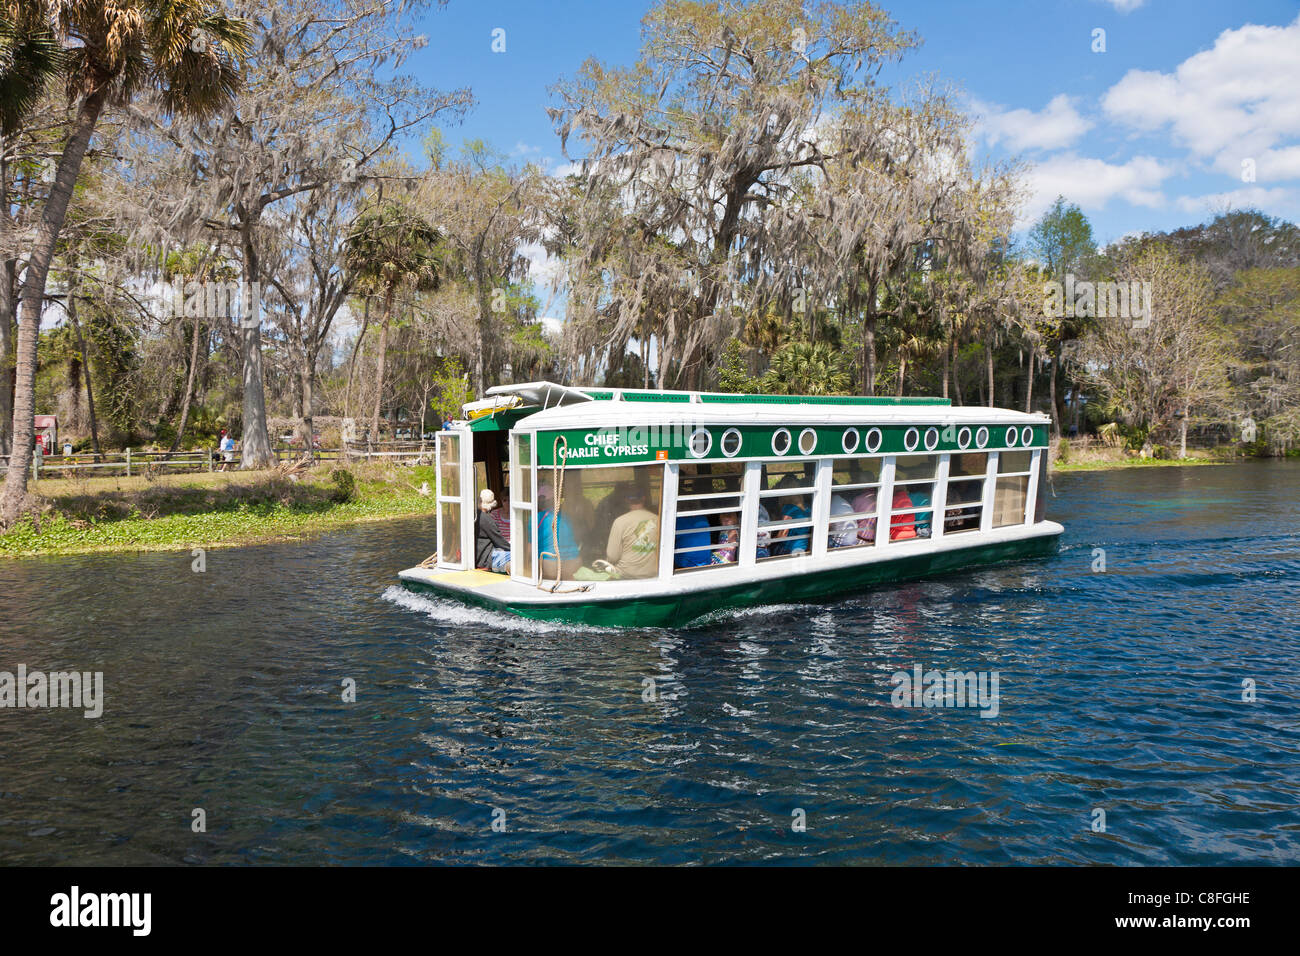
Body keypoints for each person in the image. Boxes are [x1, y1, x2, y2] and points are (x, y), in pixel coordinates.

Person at [604, 487, 660, 578]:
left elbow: (612, 556)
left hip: (626, 574)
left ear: (626, 500)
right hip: (653, 573)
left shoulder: (620, 521)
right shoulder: (657, 519)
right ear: (643, 498)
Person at [537, 483, 581, 578]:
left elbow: (529, 550)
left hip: (551, 564)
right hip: (574, 561)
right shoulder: (566, 516)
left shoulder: (536, 518)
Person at [770, 474, 810, 556]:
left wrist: (769, 541)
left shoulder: (789, 509)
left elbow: (782, 535)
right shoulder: (807, 508)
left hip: (790, 549)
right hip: (803, 547)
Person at [475, 489, 511, 573]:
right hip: (484, 559)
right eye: (505, 500)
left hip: (477, 555)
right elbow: (499, 540)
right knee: (516, 558)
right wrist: (513, 549)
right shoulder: (486, 519)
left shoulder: (474, 515)